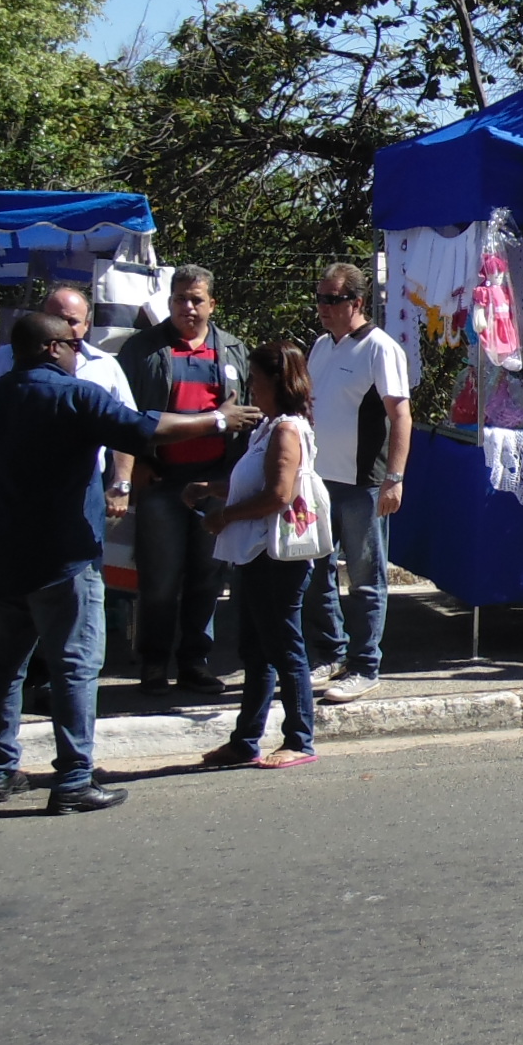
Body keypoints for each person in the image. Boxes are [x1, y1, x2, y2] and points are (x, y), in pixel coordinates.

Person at [0, 309, 259, 812]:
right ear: (53, 348)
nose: (78, 355)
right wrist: (220, 419)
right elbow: (143, 429)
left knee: (3, 667)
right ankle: (73, 778)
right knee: (75, 663)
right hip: (63, 556)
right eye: (73, 346)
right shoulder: (75, 395)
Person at [119, 267, 251, 692]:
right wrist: (137, 462)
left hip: (216, 481)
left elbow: (247, 412)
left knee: (208, 576)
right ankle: (154, 663)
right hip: (162, 480)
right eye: (180, 299)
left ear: (212, 303)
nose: (188, 307)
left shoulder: (232, 350)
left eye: (196, 299)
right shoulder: (142, 350)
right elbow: (123, 415)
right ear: (170, 302)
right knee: (159, 579)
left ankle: (194, 662)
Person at [199, 342, 328, 768]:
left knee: (284, 647)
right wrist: (212, 490)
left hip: (277, 557)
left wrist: (225, 515)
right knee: (256, 650)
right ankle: (245, 739)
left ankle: (299, 738)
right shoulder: (266, 428)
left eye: (255, 378)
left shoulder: (287, 430)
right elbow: (256, 482)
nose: (251, 386)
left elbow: (278, 494)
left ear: (276, 381)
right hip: (254, 553)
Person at [303, 261, 411, 704]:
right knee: (315, 570)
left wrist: (394, 478)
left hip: (362, 482)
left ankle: (366, 665)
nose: (324, 307)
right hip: (318, 479)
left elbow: (401, 415)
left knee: (365, 577)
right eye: (321, 298)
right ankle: (331, 653)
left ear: (357, 302)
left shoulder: (379, 348)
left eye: (333, 299)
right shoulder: (321, 346)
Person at [0, 282, 140, 530]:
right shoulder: (1, 360)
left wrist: (121, 484)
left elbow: (126, 428)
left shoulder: (105, 366)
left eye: (72, 321)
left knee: (77, 565)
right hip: (9, 491)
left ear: (86, 324)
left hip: (81, 493)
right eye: (56, 319)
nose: (64, 329)